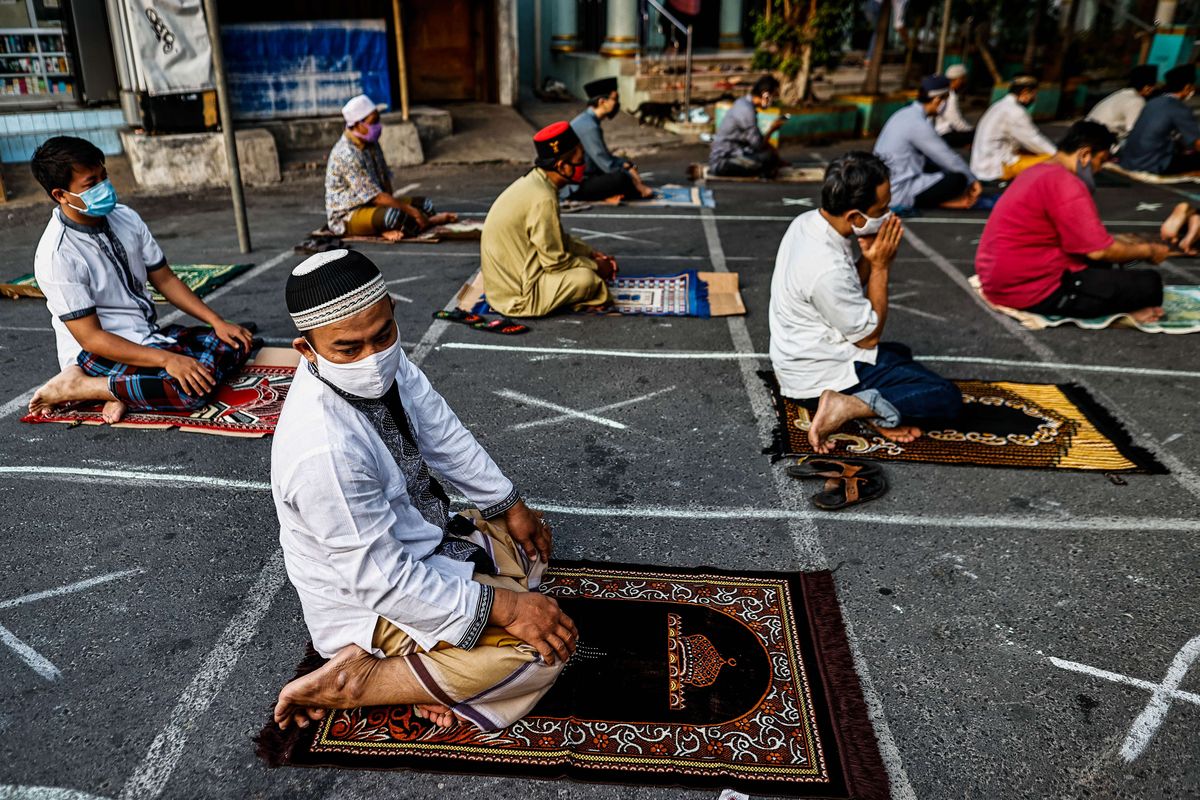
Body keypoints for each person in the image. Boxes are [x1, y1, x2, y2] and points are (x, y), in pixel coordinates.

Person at [270, 249, 576, 733]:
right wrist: (510, 608)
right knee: (538, 658)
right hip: (370, 600)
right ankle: (362, 681)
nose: (371, 358)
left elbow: (442, 434)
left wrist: (509, 504)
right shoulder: (322, 451)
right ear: (307, 350)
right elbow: (382, 581)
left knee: (528, 540)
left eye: (382, 335)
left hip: (425, 539)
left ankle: (434, 671)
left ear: (390, 310)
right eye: (348, 349)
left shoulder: (385, 362)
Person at [26, 136, 253, 425]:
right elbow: (92, 338)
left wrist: (217, 322)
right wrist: (167, 360)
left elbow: (166, 279)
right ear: (60, 195)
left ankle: (120, 392)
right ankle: (84, 385)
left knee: (237, 342)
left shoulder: (125, 218)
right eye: (91, 183)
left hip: (144, 335)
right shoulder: (57, 254)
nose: (104, 186)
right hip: (94, 355)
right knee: (188, 391)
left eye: (104, 176)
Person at [769, 152, 962, 455]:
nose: (888, 214)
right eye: (882, 209)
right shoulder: (825, 268)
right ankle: (848, 405)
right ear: (855, 218)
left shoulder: (808, 223)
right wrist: (882, 266)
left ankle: (872, 406)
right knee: (944, 396)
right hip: (818, 377)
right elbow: (869, 336)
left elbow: (848, 285)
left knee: (900, 354)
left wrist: (869, 260)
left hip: (804, 356)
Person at [976, 121, 1168, 322]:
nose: (1098, 170)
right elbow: (1099, 251)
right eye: (1100, 161)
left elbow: (1082, 240)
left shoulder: (1037, 171)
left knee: (1111, 266)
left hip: (998, 281)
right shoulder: (1067, 183)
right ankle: (1120, 308)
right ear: (1085, 155)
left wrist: (1124, 245)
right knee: (1149, 285)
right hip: (1029, 290)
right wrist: (1149, 250)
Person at [479, 122, 616, 318]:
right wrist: (596, 266)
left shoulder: (536, 182)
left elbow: (556, 239)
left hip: (504, 283)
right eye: (579, 160)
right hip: (518, 296)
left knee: (581, 265)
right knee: (588, 279)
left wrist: (591, 253)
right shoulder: (544, 199)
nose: (583, 165)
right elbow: (555, 263)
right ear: (561, 166)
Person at [325, 94, 457, 241]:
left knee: (425, 205)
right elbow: (376, 197)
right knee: (393, 217)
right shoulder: (346, 154)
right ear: (357, 124)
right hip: (348, 214)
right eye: (373, 122)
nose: (377, 126)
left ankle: (404, 223)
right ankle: (421, 223)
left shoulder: (371, 144)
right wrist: (412, 212)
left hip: (374, 205)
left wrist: (399, 206)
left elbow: (384, 178)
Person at [873, 75, 981, 210]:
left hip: (884, 184)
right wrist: (972, 180)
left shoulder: (904, 114)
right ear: (937, 100)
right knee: (959, 179)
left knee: (937, 167)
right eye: (946, 100)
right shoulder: (917, 124)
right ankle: (941, 202)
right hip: (898, 190)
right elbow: (947, 157)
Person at [567, 77, 654, 201]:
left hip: (588, 174)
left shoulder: (588, 120)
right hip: (578, 184)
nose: (617, 103)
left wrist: (626, 165)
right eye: (614, 99)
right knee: (621, 179)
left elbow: (604, 157)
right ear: (602, 101)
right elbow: (606, 164)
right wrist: (635, 182)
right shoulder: (589, 126)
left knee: (627, 167)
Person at [970, 76, 1057, 182]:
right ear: (1025, 93)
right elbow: (1034, 140)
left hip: (982, 165)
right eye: (1034, 94)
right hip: (997, 168)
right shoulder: (1015, 111)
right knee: (1054, 161)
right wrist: (1059, 155)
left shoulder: (999, 105)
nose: (1035, 99)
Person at [1118, 64, 1200, 175]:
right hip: (1152, 164)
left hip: (1129, 161)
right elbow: (1197, 143)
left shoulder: (1153, 102)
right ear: (1187, 88)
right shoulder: (1179, 108)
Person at [709, 75, 786, 178]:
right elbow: (758, 145)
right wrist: (772, 130)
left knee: (771, 157)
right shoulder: (746, 111)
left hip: (734, 154)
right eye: (773, 96)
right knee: (768, 158)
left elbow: (757, 141)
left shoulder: (744, 104)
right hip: (723, 161)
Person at [1086, 64, 1158, 142]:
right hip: (1100, 140)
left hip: (1091, 134)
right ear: (1147, 88)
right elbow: (1134, 131)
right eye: (1154, 86)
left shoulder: (1121, 94)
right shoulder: (1136, 101)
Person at [935, 63, 974, 148]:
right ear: (959, 79)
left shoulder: (943, 91)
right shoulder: (950, 96)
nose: (965, 81)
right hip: (944, 134)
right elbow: (956, 121)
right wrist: (971, 131)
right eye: (964, 79)